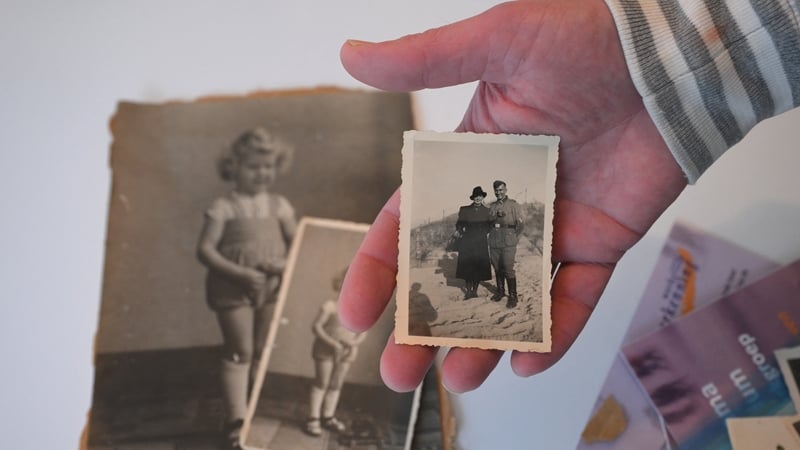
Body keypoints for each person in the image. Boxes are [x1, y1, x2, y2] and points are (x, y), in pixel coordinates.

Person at [336, 0, 800, 394]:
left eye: (495, 188)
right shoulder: (468, 205)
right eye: (490, 189)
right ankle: (482, 295)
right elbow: (461, 225)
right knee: (474, 278)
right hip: (482, 243)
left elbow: (517, 225)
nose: (494, 191)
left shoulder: (512, 203)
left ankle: (502, 297)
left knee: (505, 281)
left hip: (504, 245)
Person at [196, 128, 297, 449]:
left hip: (272, 285)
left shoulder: (279, 205)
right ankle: (235, 418)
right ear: (234, 167)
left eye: (268, 166)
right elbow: (205, 250)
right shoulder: (223, 207)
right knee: (241, 350)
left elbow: (298, 245)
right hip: (232, 286)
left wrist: (283, 266)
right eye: (253, 167)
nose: (262, 173)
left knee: (264, 350)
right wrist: (240, 273)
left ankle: (253, 409)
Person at [305, 268, 366, 437]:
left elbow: (363, 331)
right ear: (340, 283)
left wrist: (353, 343)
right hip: (326, 348)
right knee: (321, 382)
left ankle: (328, 416)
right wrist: (332, 343)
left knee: (336, 384)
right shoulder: (330, 305)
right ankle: (313, 418)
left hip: (347, 351)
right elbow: (316, 326)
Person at [487, 180, 523, 308]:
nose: (499, 193)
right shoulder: (491, 207)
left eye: (501, 190)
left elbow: (521, 225)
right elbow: (488, 223)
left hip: (508, 243)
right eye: (496, 190)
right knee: (497, 268)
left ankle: (513, 296)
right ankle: (500, 291)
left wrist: (514, 238)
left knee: (508, 269)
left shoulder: (514, 205)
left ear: (506, 190)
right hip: (494, 242)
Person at [454, 186, 492, 300]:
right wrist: (460, 229)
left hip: (480, 242)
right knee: (467, 266)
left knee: (478, 267)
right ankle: (468, 291)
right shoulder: (464, 210)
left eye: (480, 196)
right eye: (476, 196)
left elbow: (490, 225)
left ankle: (474, 291)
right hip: (467, 241)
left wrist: (485, 232)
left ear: (482, 197)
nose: (478, 198)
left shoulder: (487, 210)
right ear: (473, 198)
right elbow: (459, 224)